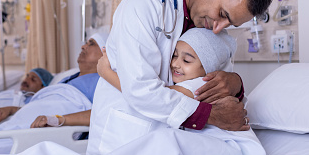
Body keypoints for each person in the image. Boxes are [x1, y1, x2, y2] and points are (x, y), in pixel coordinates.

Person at [87, 0, 274, 155]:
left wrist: (234, 83)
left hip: (176, 146)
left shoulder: (211, 24)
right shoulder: (141, 6)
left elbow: (217, 88)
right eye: (221, 13)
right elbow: (141, 91)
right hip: (125, 137)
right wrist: (212, 116)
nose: (219, 27)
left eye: (229, 23)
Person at [30, 28, 236, 129]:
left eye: (187, 60)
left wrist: (107, 73)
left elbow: (150, 97)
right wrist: (61, 119)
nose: (175, 64)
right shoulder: (176, 82)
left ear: (207, 69)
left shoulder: (202, 85)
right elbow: (116, 107)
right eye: (174, 55)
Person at [0, 32, 107, 127]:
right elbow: (44, 105)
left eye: (91, 44)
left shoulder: (104, 81)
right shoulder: (69, 79)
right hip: (25, 122)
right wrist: (11, 109)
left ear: (106, 53)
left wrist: (57, 120)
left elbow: (103, 113)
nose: (83, 46)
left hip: (40, 129)